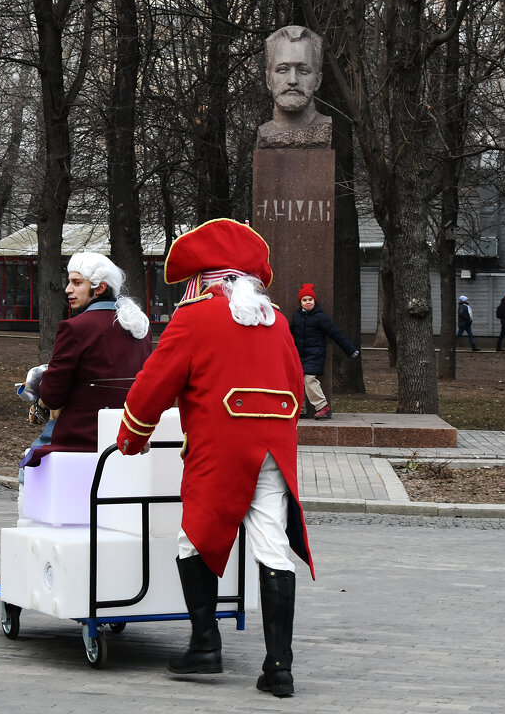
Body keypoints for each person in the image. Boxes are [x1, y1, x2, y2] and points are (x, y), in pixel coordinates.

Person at [115, 219, 313, 696]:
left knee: (194, 539)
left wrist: (132, 436)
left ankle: (206, 645)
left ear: (205, 281)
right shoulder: (279, 321)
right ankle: (279, 667)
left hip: (218, 449)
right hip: (275, 449)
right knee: (271, 545)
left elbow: (153, 384)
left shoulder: (194, 318)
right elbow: (296, 389)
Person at [19, 252, 152, 468]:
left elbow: (52, 395)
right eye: (69, 281)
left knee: (29, 470)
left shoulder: (75, 327)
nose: (68, 289)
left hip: (81, 436)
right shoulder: (139, 328)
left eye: (76, 282)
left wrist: (42, 388)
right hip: (128, 435)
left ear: (99, 288)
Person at [288, 283, 359, 420]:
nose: (308, 302)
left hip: (315, 354)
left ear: (315, 301)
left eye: (310, 299)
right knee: (297, 380)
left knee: (309, 379)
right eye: (305, 300)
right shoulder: (297, 317)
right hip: (299, 355)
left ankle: (322, 407)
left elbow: (336, 334)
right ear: (300, 302)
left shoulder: (320, 317)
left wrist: (350, 350)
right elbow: (290, 335)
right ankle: (299, 408)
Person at [257, 25, 332, 149]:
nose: (292, 80)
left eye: (303, 71)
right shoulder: (265, 133)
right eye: (282, 70)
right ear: (268, 80)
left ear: (318, 81)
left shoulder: (324, 128)